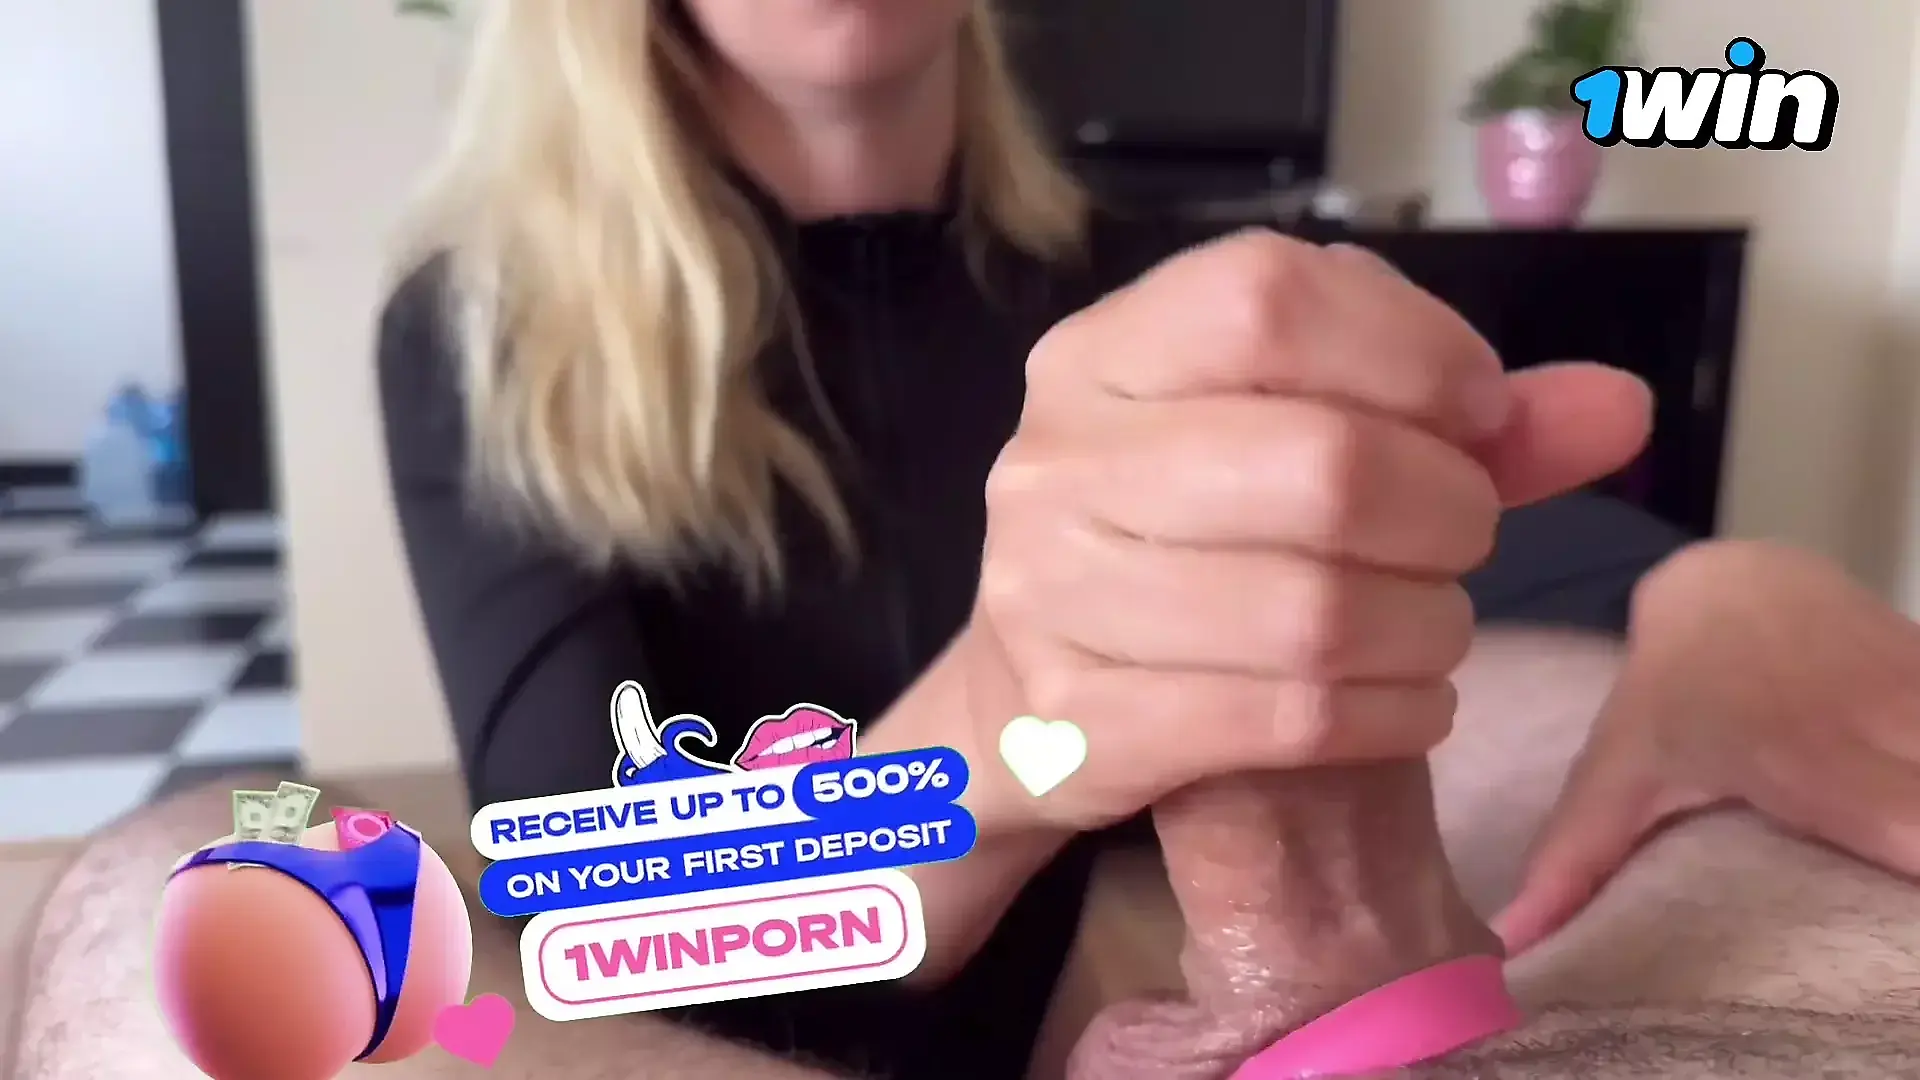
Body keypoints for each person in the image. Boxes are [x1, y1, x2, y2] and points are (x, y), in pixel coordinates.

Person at [354, 0, 1920, 1077]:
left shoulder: (1158, 285)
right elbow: (593, 913)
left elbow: (1475, 541)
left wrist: (1717, 589)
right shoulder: (482, 333)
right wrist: (1009, 732)